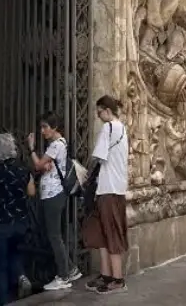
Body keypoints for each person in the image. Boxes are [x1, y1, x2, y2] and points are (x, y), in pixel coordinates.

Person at [81, 95, 130, 294]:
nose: (97, 115)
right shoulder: (123, 129)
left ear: (106, 110)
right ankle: (107, 274)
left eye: (99, 111)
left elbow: (98, 157)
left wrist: (83, 174)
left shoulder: (108, 128)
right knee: (102, 232)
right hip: (113, 188)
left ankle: (118, 279)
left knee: (110, 232)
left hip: (108, 189)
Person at [28, 113, 79, 291]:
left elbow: (37, 165)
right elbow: (45, 166)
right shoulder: (59, 145)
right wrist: (44, 165)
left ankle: (63, 276)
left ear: (54, 127)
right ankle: (70, 269)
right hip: (53, 193)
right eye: (41, 127)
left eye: (45, 127)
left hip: (53, 194)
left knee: (54, 236)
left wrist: (32, 150)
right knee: (54, 234)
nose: (42, 131)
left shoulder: (56, 145)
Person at [0, 133, 33, 305]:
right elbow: (32, 192)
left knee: (0, 264)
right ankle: (21, 276)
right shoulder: (24, 168)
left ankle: (4, 300)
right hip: (21, 222)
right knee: (15, 252)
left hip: (1, 223)